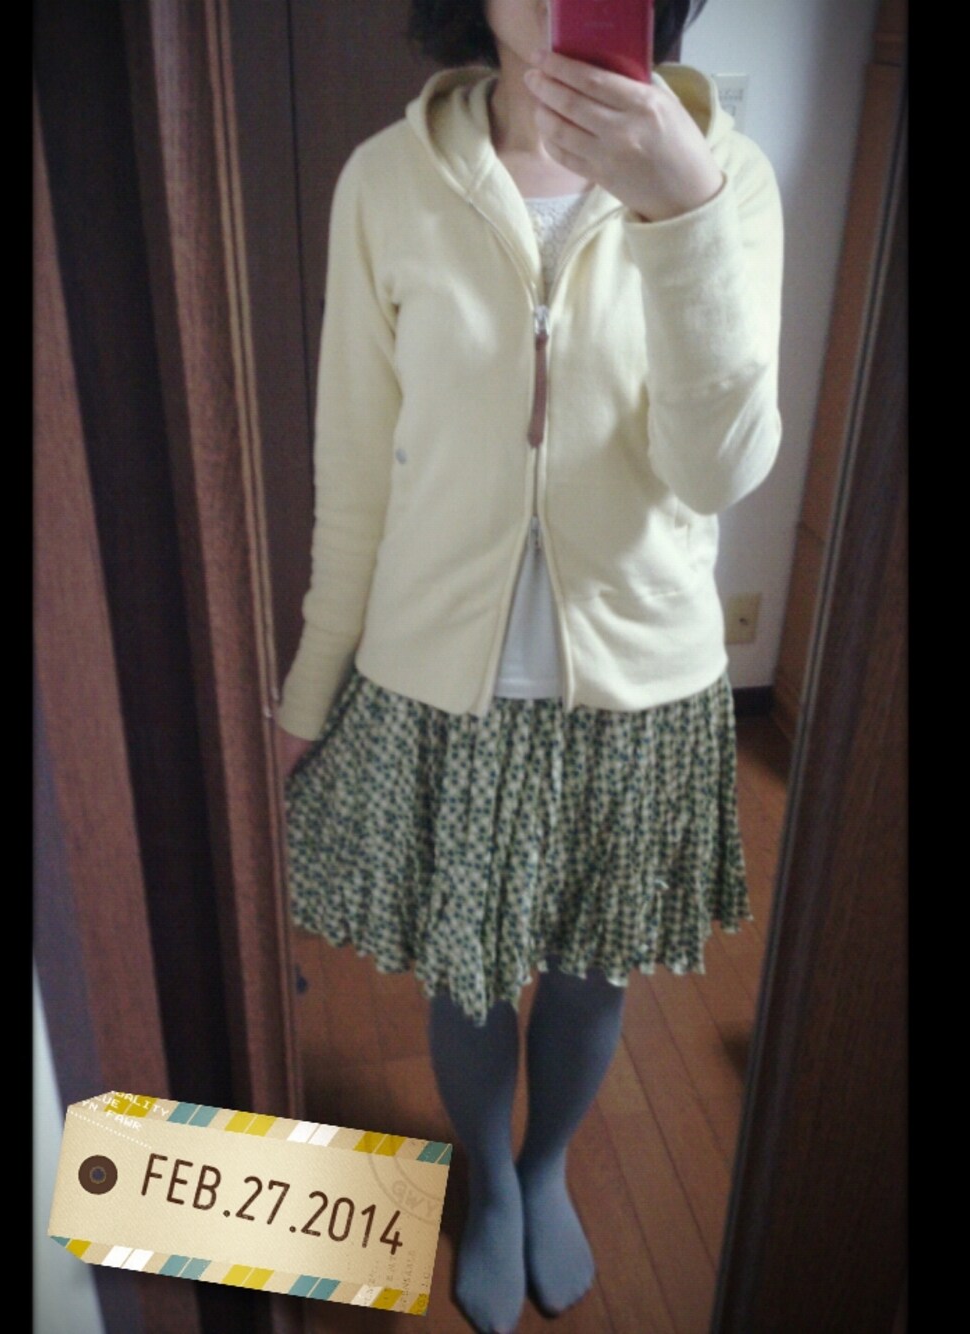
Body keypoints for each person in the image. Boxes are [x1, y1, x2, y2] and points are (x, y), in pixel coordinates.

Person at [276, 2, 782, 1330]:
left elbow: (720, 469)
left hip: (637, 691)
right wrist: (312, 684)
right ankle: (490, 1186)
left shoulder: (728, 176)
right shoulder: (386, 181)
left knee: (593, 971)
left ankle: (544, 1163)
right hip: (445, 682)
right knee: (465, 968)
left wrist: (681, 207)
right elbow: (352, 466)